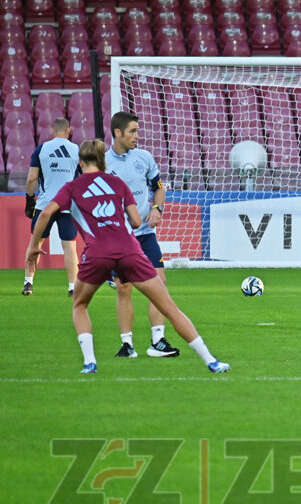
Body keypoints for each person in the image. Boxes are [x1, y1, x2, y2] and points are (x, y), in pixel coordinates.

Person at [25, 140, 229, 374]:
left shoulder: (72, 188)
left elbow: (46, 213)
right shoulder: (117, 183)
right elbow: (135, 221)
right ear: (103, 162)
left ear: (80, 162)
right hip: (129, 250)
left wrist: (33, 246)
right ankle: (211, 361)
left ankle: (90, 362)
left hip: (97, 254)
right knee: (170, 308)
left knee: (79, 305)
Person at [105, 111, 178, 359]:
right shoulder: (103, 163)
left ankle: (158, 341)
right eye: (132, 131)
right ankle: (127, 345)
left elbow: (158, 187)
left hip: (145, 234)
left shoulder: (144, 158)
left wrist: (157, 208)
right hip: (119, 237)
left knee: (160, 284)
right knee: (123, 288)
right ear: (118, 133)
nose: (137, 136)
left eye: (137, 130)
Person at [23, 117, 79, 297]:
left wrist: (30, 198)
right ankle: (72, 287)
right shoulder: (76, 150)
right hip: (67, 205)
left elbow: (32, 178)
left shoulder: (42, 149)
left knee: (35, 243)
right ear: (68, 130)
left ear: (53, 131)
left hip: (45, 205)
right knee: (69, 246)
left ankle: (28, 283)